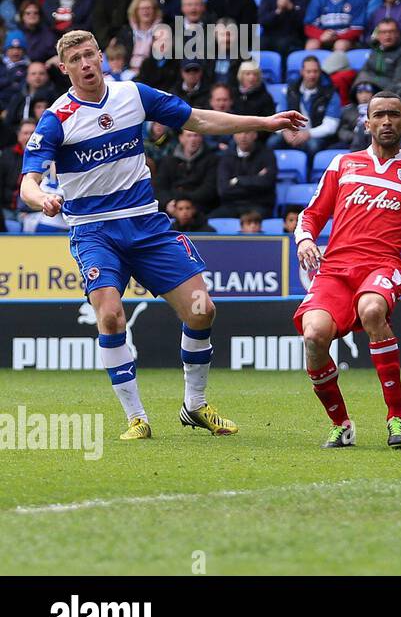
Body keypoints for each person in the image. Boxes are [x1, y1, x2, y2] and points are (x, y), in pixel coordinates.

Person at [20, 29, 305, 441]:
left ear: (101, 56)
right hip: (95, 231)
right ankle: (136, 417)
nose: (85, 64)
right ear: (63, 68)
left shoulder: (132, 95)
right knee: (112, 315)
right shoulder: (56, 119)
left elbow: (198, 118)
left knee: (202, 309)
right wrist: (41, 197)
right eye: (75, 60)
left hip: (147, 225)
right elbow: (27, 183)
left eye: (89, 55)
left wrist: (263, 122)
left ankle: (195, 406)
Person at [294, 89, 401, 449]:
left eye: (394, 115)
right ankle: (342, 425)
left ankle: (396, 418)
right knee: (314, 336)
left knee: (372, 309)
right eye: (379, 115)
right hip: (335, 270)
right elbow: (312, 214)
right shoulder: (343, 164)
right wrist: (305, 239)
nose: (386, 121)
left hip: (382, 266)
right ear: (366, 123)